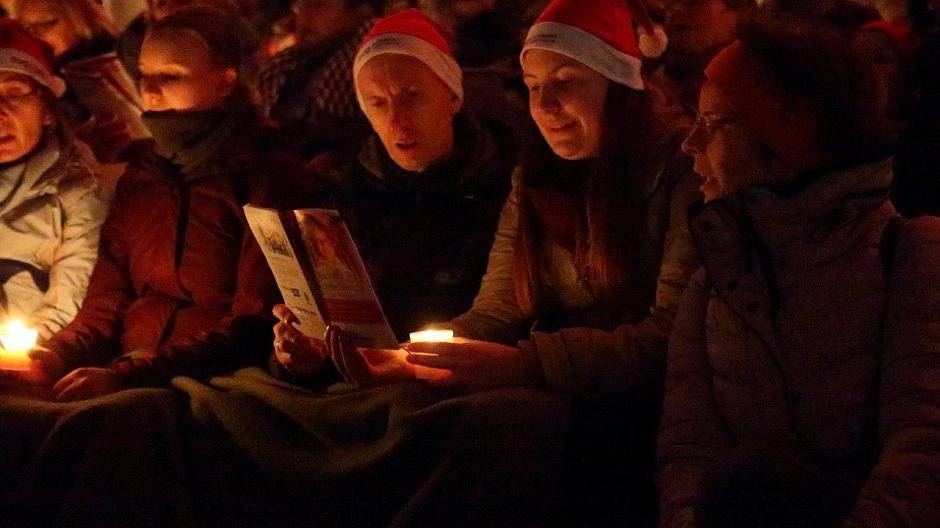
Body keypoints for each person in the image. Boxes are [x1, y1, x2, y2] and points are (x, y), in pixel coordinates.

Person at [279, 0, 698, 523]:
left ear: (619, 83)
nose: (545, 105)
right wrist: (404, 358)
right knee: (397, 408)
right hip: (547, 372)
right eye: (533, 86)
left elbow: (669, 337)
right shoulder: (535, 175)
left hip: (626, 399)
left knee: (483, 425)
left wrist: (526, 365)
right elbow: (497, 309)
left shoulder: (680, 174)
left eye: (566, 81)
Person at [657, 11, 940, 527]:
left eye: (713, 124)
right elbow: (689, 448)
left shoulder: (913, 258)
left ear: (785, 140)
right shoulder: (714, 279)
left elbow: (923, 448)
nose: (689, 144)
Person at [18, 6, 296, 401]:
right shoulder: (143, 175)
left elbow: (253, 322)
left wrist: (131, 376)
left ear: (225, 81)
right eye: (144, 74)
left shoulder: (266, 178)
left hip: (214, 381)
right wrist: (57, 354)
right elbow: (107, 299)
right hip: (130, 368)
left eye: (171, 76)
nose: (150, 90)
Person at [270, 8, 515, 380]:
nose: (397, 120)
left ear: (452, 96)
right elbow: (325, 327)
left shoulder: (505, 184)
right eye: (378, 103)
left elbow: (502, 319)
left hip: (453, 376)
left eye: (412, 97)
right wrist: (301, 353)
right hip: (353, 379)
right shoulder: (341, 194)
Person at [0, 20, 105, 341]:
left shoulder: (77, 187)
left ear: (46, 109)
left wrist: (27, 348)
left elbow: (72, 290)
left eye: (14, 93)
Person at [253, 0, 382, 159]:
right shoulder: (290, 62)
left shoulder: (371, 56)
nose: (305, 16)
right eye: (301, 6)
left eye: (319, 5)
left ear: (362, 11)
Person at [652, 0, 755, 114]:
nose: (674, 9)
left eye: (693, 2)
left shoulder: (752, 95)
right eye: (670, 2)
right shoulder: (653, 84)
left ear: (739, 13)